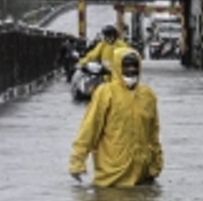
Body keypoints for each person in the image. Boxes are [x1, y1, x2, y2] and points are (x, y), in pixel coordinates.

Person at [69, 48, 163, 187]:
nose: (131, 70)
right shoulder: (105, 93)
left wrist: (156, 164)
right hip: (111, 178)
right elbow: (89, 128)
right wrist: (77, 162)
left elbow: (153, 134)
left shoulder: (148, 95)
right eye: (126, 66)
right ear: (118, 67)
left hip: (141, 177)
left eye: (134, 66)